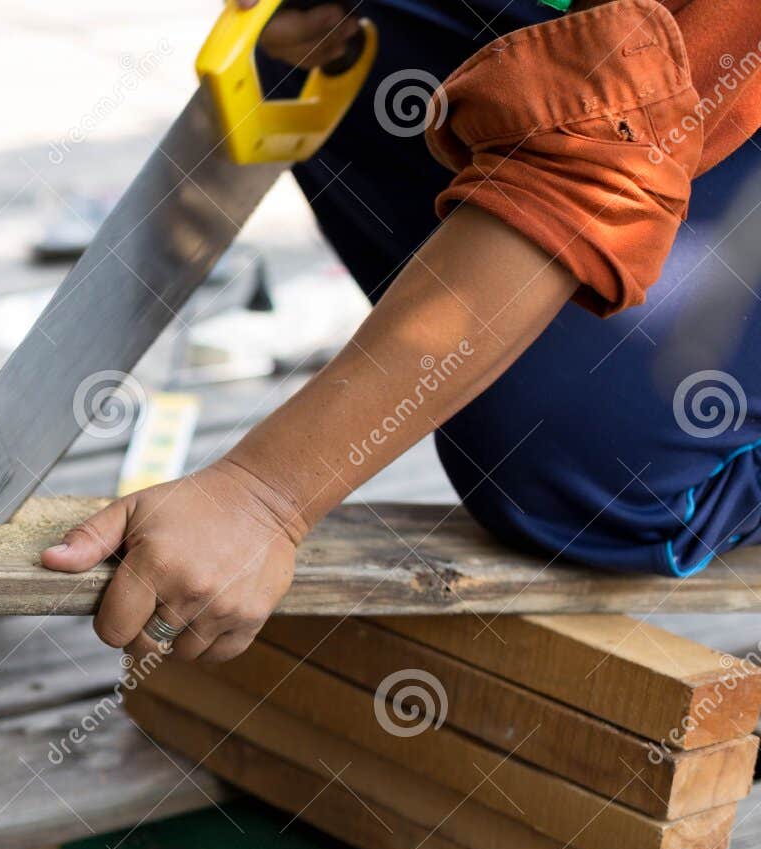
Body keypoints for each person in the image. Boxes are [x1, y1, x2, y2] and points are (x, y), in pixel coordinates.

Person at [41, 0, 761, 662]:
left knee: (577, 457)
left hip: (710, 81)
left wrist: (266, 494)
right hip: (627, 76)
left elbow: (590, 170)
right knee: (315, 52)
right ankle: (495, 302)